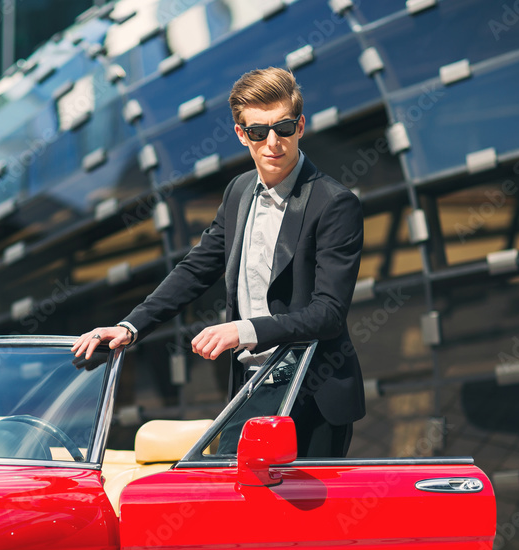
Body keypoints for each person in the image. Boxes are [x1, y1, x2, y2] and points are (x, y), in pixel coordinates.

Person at [72, 67, 365, 458]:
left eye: (284, 127)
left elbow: (328, 313)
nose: (273, 142)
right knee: (238, 507)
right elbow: (195, 269)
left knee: (297, 519)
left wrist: (243, 331)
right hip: (251, 386)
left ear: (301, 126)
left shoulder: (334, 202)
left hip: (313, 393)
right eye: (259, 132)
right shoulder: (239, 190)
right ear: (242, 135)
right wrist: (131, 326)